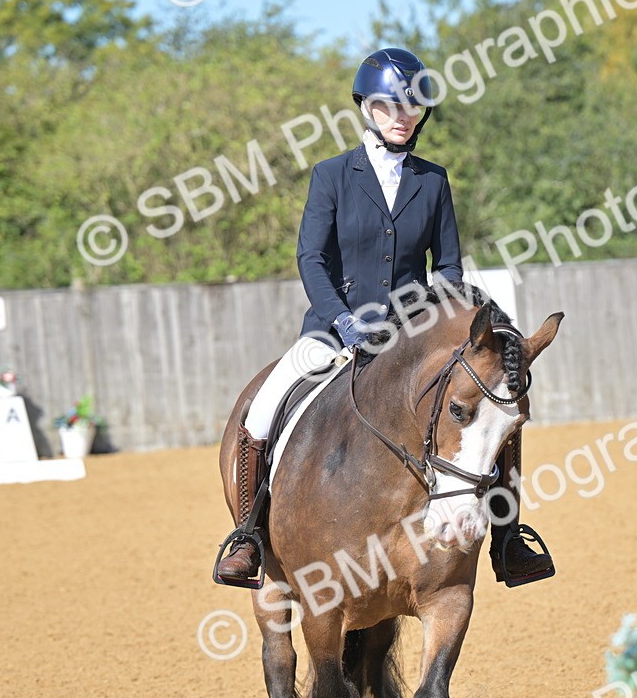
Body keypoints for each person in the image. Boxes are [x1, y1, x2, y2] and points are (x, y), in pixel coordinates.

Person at [215, 48, 553, 587]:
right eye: (390, 106)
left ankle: (509, 538)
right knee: (263, 407)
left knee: (496, 403)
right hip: (334, 330)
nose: (403, 116)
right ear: (367, 108)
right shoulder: (332, 175)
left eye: (413, 107)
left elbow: (447, 265)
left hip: (413, 336)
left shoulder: (433, 180)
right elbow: (311, 259)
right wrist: (343, 320)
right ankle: (249, 535)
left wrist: (444, 315)